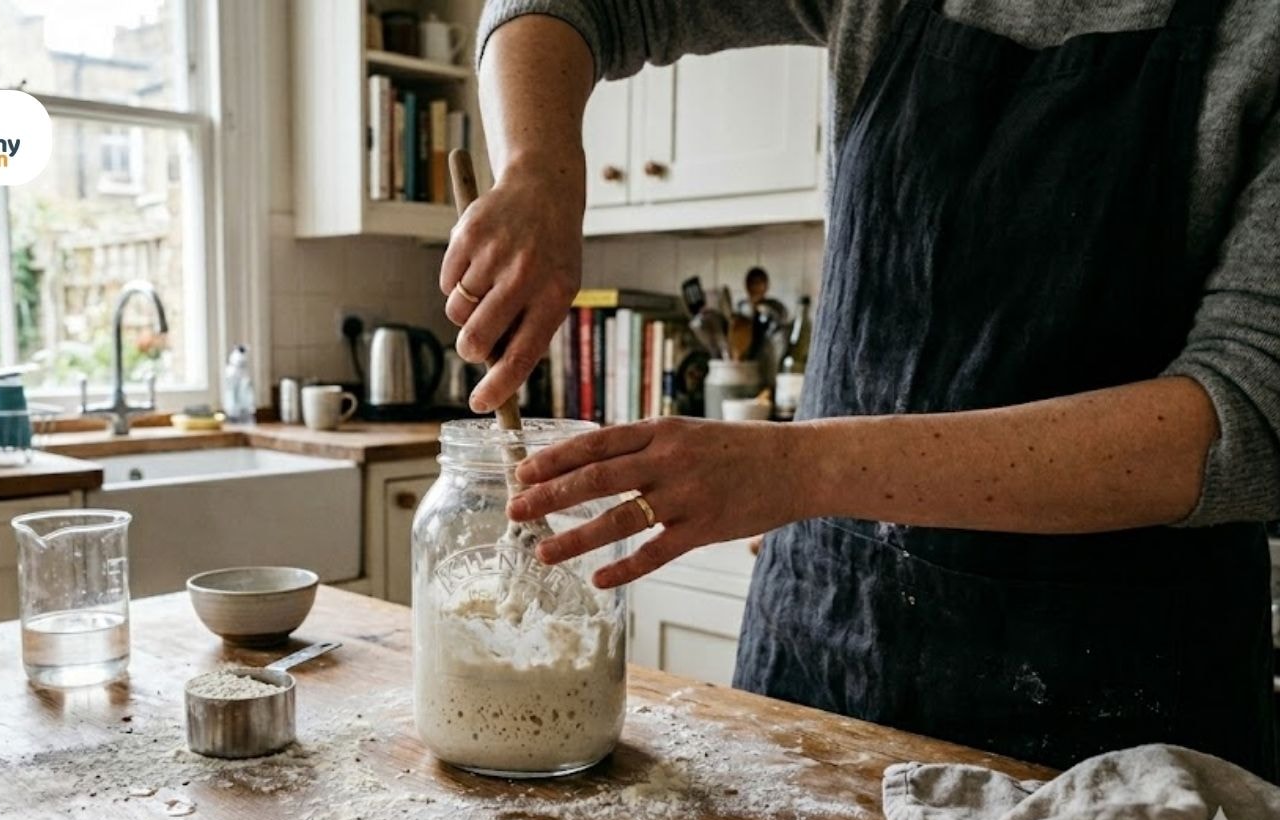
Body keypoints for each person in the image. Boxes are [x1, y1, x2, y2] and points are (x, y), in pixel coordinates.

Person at [439, 0, 1280, 779]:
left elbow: (1244, 415)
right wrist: (540, 166)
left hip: (1123, 717)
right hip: (825, 643)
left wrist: (801, 470)